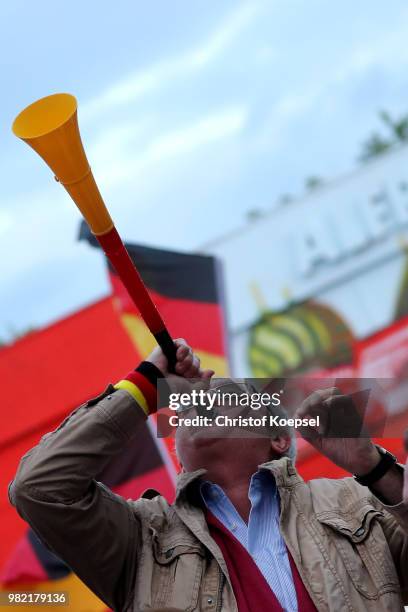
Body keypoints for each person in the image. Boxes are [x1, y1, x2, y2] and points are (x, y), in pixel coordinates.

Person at [9, 339, 408, 612]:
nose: (203, 398)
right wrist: (145, 386)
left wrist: (373, 467)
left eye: (229, 393)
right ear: (180, 454)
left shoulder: (357, 505)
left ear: (277, 440)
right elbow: (38, 488)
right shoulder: (141, 540)